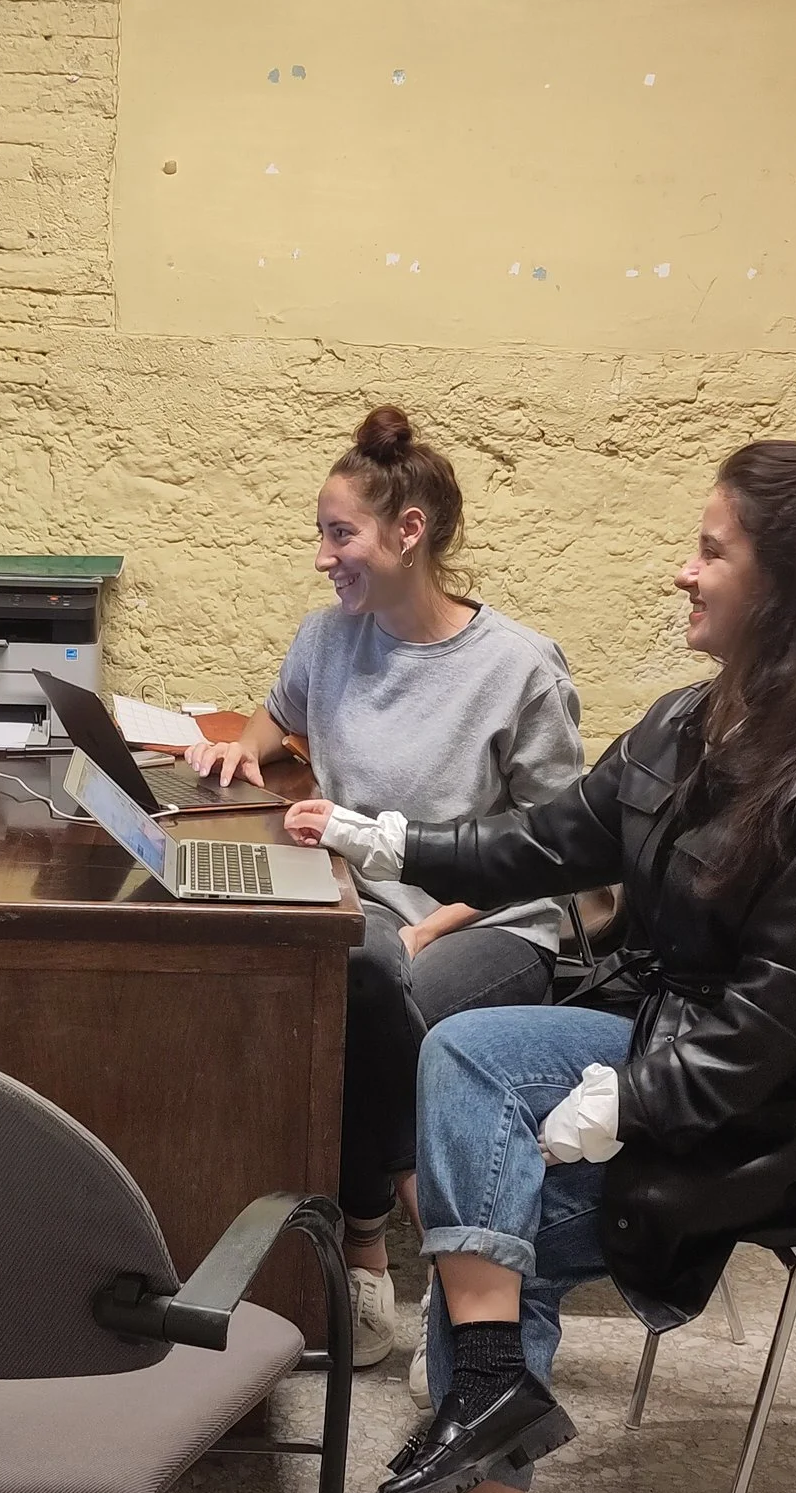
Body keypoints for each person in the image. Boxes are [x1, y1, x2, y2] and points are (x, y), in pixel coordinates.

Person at [297, 441, 796, 1493]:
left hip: (782, 1117)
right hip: (675, 1039)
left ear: (786, 587)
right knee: (465, 1053)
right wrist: (390, 841)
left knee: (500, 1210)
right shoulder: (696, 722)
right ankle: (491, 1392)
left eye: (710, 551)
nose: (681, 572)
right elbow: (543, 845)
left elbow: (767, 1035)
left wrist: (624, 1104)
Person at [188, 405, 583, 1368]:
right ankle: (449, 1252)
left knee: (369, 987)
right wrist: (239, 750)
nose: (324, 557)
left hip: (490, 921)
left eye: (341, 534)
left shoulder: (519, 668)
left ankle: (365, 1246)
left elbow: (558, 852)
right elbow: (274, 717)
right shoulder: (329, 639)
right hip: (360, 916)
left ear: (409, 532)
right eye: (321, 533)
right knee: (348, 971)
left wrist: (424, 932)